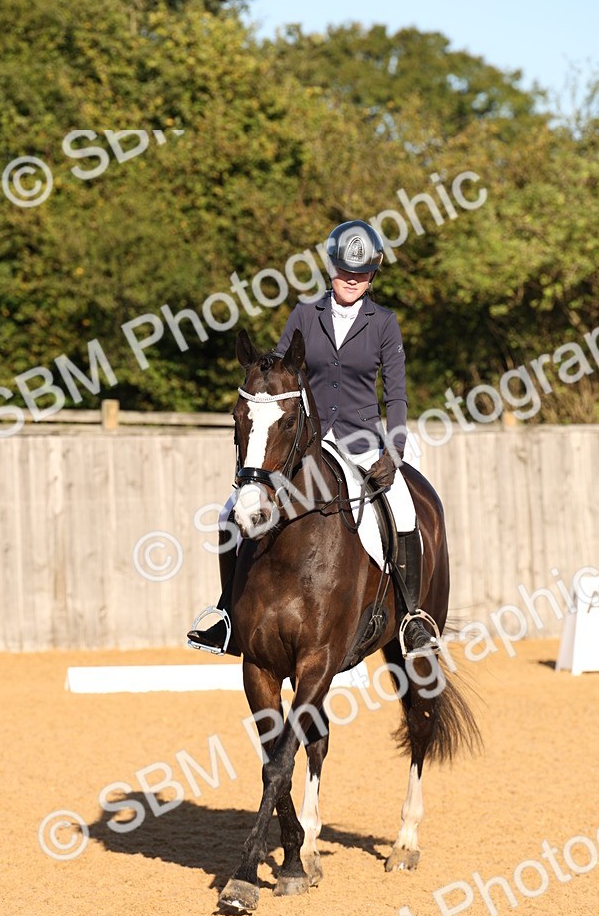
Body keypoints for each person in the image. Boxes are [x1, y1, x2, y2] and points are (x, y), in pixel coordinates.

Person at [187, 219, 439, 658]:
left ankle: (413, 616)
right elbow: (281, 372)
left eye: (360, 274)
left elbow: (395, 394)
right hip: (311, 442)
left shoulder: (384, 323)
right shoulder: (306, 314)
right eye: (344, 271)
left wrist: (394, 452)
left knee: (402, 510)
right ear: (330, 269)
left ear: (372, 276)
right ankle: (228, 615)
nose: (351, 280)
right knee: (232, 511)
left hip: (363, 440)